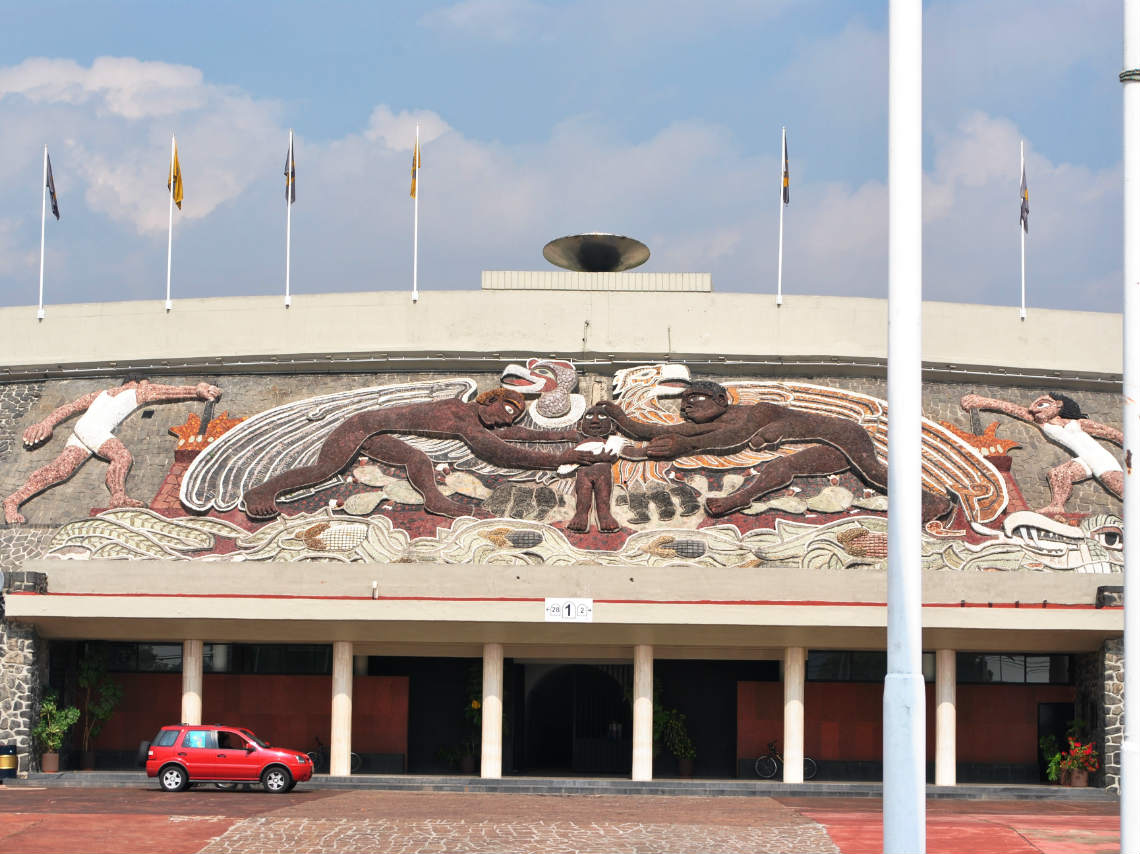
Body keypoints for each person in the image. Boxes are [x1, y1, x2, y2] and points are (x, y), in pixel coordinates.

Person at [596, 380, 953, 522]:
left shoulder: (757, 411)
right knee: (786, 467)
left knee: (874, 473)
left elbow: (732, 439)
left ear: (721, 399)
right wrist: (618, 416)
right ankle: (736, 502)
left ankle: (933, 502)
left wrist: (685, 444)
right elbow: (657, 430)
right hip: (822, 450)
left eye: (694, 400)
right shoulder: (711, 424)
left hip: (844, 436)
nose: (686, 408)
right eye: (684, 404)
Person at [242, 388, 611, 519]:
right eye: (504, 412)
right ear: (492, 400)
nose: (504, 421)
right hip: (359, 428)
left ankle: (433, 501)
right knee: (323, 471)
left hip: (379, 433)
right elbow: (501, 453)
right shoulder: (461, 418)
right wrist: (562, 458)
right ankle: (262, 492)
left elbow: (511, 435)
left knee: (417, 460)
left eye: (510, 417)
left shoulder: (472, 416)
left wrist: (564, 434)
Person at [4, 377, 221, 524]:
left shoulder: (100, 393)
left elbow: (70, 408)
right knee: (121, 456)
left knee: (61, 470)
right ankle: (118, 497)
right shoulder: (137, 390)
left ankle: (13, 500)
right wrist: (196, 390)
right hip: (93, 430)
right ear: (137, 382)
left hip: (82, 430)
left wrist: (47, 422)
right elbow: (163, 391)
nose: (147, 386)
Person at [960, 391, 1123, 516]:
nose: (1034, 409)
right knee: (1058, 474)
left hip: (1101, 460)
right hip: (1084, 461)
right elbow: (1011, 409)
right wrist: (981, 401)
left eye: (1042, 404)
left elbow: (1113, 434)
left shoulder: (1078, 423)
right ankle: (1057, 506)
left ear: (1058, 406)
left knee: (1120, 488)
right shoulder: (1042, 424)